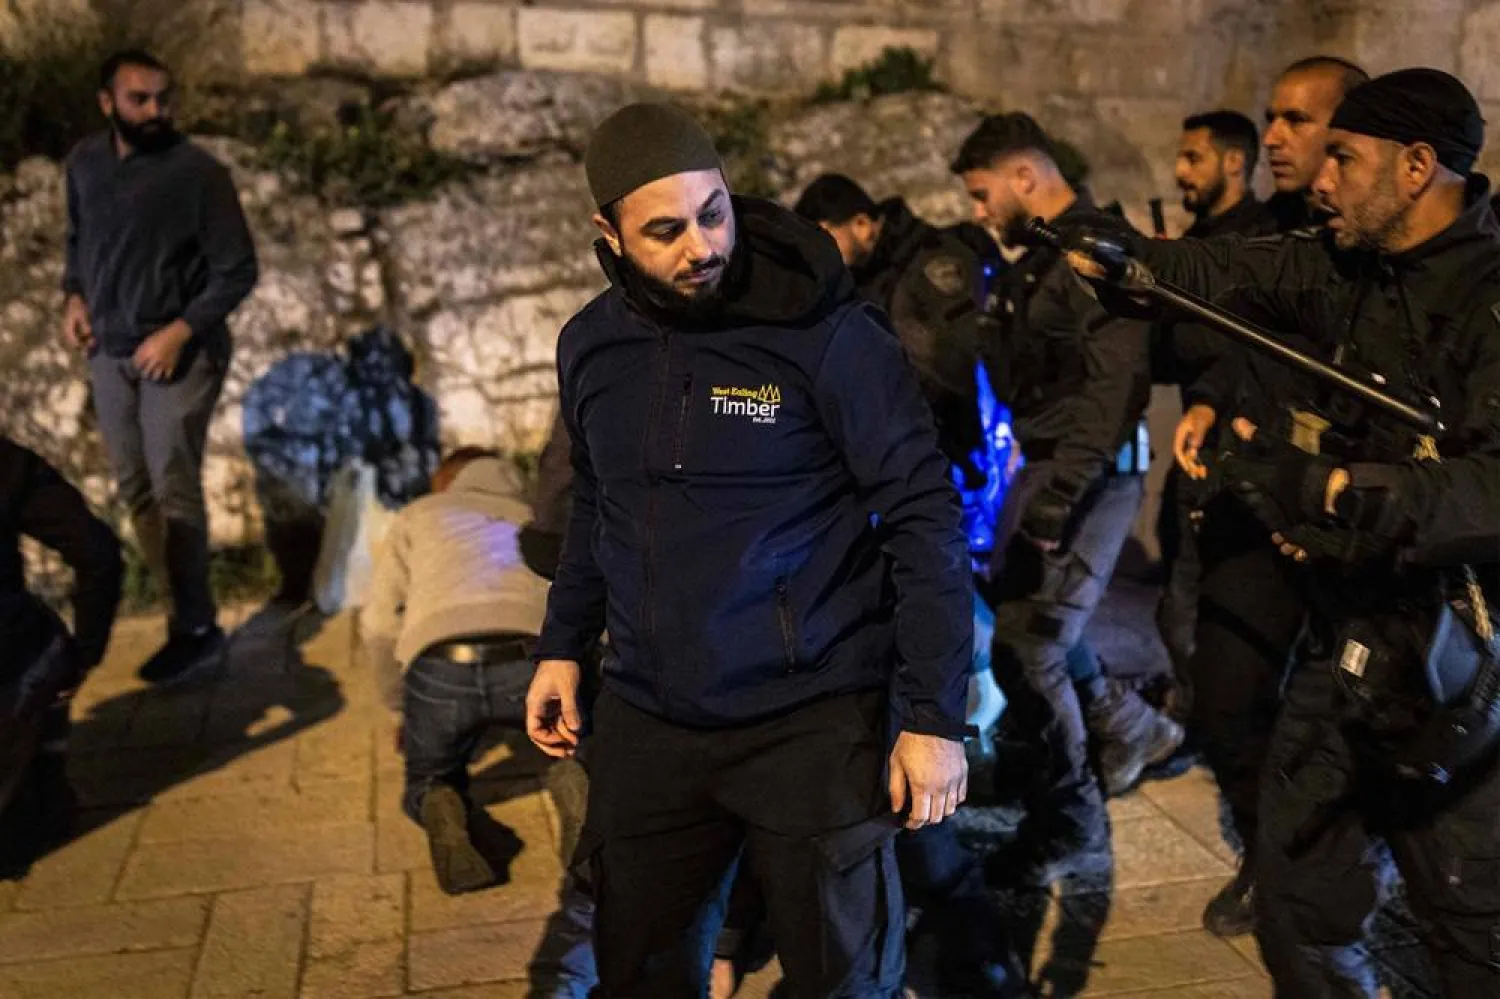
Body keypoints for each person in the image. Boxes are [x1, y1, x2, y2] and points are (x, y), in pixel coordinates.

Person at [525, 103, 973, 997]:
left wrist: (931, 715)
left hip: (810, 721)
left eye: (714, 212)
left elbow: (925, 515)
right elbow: (598, 508)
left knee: (843, 982)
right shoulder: (592, 346)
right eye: (665, 230)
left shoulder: (826, 334)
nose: (702, 245)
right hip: (653, 720)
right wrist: (562, 644)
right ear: (606, 233)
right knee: (641, 973)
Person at [1072, 67, 1500, 997]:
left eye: (1343, 157)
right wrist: (1127, 259)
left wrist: (1347, 490)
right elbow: (1232, 271)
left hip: (1466, 666)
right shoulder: (1346, 265)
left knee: (1471, 939)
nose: (1320, 178)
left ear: (1418, 166)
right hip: (1349, 643)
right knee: (1297, 908)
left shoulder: (1487, 298)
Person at [948, 112, 1182, 889]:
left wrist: (1057, 504)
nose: (981, 212)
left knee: (1031, 643)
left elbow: (1114, 388)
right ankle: (1133, 727)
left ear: (1025, 177)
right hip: (1051, 466)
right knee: (1026, 613)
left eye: (984, 194)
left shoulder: (1092, 254)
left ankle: (1073, 824)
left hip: (1092, 470)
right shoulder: (1041, 260)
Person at [1172, 56, 1370, 938]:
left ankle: (1326, 868)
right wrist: (1214, 400)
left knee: (1344, 717)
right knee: (1224, 693)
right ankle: (1269, 852)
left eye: (1297, 120)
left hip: (1339, 515)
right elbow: (1236, 340)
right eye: (1272, 119)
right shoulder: (1269, 233)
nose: (1276, 139)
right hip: (1255, 506)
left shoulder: (1380, 249)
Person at [60, 49, 258, 684]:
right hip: (110, 354)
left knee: (173, 485)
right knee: (135, 490)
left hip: (180, 353)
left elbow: (237, 270)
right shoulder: (85, 163)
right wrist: (74, 295)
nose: (154, 111)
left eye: (162, 99)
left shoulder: (197, 173)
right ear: (107, 102)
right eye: (139, 99)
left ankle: (196, 628)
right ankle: (179, 613)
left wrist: (178, 332)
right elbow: (77, 240)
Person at [1154, 109, 1265, 718]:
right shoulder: (1197, 244)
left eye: (1193, 158)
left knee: (1209, 600)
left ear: (1233, 163)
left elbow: (1241, 346)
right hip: (1197, 439)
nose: (1179, 172)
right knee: (1180, 589)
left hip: (1239, 445)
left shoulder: (1260, 241)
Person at [0, 437, 122, 875]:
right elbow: (99, 555)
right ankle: (44, 788)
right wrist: (85, 653)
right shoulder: (9, 463)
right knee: (43, 640)